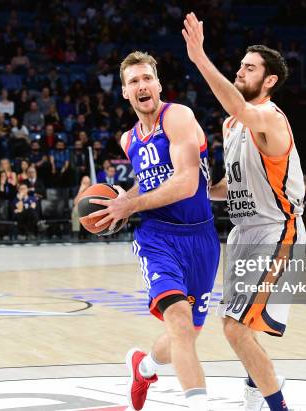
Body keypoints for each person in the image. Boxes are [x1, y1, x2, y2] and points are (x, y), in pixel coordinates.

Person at [182, 14, 304, 411]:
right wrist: (194, 187)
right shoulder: (232, 124)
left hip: (276, 231)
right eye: (240, 65)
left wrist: (200, 58)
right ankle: (258, 381)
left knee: (236, 328)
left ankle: (274, 402)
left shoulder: (268, 116)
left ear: (269, 80)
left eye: (249, 68)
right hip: (243, 232)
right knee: (241, 323)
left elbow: (242, 107)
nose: (240, 72)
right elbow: (227, 189)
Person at [87, 50, 220, 411]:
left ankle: (143, 367)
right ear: (125, 93)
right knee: (177, 322)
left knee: (187, 333)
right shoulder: (128, 140)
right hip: (158, 238)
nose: (142, 85)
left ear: (158, 84)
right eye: (134, 81)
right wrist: (120, 201)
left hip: (202, 238)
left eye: (147, 78)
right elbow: (147, 184)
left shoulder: (177, 117)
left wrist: (129, 204)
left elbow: (188, 182)